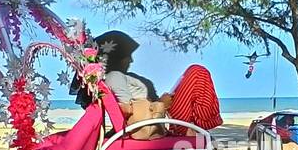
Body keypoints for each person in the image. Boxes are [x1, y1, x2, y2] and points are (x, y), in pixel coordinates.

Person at [92, 29, 223, 133]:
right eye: (127, 56)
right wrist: (162, 104)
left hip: (160, 117)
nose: (131, 61)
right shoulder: (114, 77)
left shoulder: (115, 77)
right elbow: (130, 110)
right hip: (161, 121)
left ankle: (200, 123)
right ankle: (204, 122)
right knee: (197, 72)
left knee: (193, 73)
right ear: (117, 57)